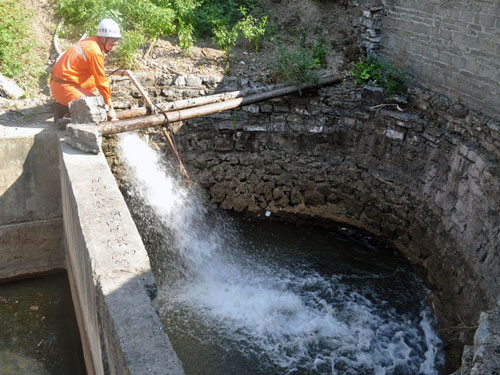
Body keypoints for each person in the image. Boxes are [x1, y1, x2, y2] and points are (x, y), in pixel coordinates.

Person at [50, 18, 122, 123]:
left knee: (92, 81)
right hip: (64, 89)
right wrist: (109, 107)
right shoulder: (94, 52)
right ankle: (64, 109)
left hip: (57, 84)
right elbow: (102, 81)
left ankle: (65, 106)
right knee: (98, 107)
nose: (112, 48)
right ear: (103, 38)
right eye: (111, 45)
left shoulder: (89, 42)